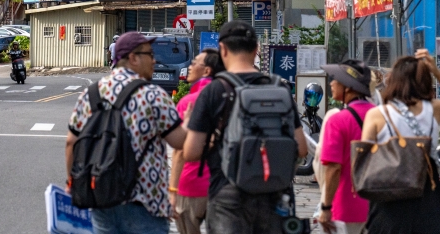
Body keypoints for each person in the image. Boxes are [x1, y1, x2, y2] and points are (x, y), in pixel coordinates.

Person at [184, 21, 308, 234]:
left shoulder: (214, 90)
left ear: (222, 49)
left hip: (228, 194)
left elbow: (191, 152)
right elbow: (302, 149)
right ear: (256, 49)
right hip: (275, 193)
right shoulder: (279, 88)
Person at [66, 32, 186, 234]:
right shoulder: (154, 94)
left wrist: (72, 181)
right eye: (150, 54)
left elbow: (71, 143)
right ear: (133, 58)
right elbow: (180, 142)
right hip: (146, 204)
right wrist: (191, 121)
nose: (155, 60)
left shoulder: (91, 94)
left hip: (102, 199)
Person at [360, 49, 440, 234]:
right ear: (424, 81)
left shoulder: (376, 115)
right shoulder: (434, 109)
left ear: (394, 81)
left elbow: (364, 157)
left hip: (386, 198)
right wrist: (436, 71)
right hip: (426, 197)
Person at [169, 48, 225, 234]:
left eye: (195, 63)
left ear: (207, 71)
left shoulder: (188, 102)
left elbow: (179, 151)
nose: (190, 66)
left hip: (191, 183)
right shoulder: (229, 97)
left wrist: (172, 190)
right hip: (222, 186)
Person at [317, 59, 375, 234]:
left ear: (348, 87)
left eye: (335, 79)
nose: (332, 83)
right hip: (377, 207)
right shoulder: (380, 115)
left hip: (345, 208)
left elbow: (333, 168)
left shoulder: (338, 120)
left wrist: (326, 207)